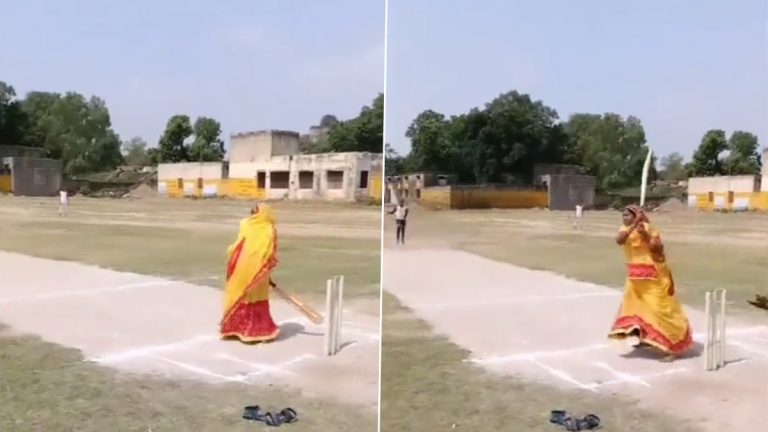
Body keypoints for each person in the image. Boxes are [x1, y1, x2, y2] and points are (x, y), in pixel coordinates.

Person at [608, 205, 693, 361]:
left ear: (635, 216)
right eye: (623, 215)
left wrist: (645, 234)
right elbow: (620, 240)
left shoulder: (648, 229)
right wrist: (634, 225)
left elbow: (658, 250)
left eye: (627, 215)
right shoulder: (625, 228)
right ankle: (645, 337)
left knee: (659, 310)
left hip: (654, 277)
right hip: (635, 278)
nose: (624, 217)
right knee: (636, 309)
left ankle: (673, 347)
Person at [220, 203, 280, 343]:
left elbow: (238, 245)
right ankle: (256, 332)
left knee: (240, 294)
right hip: (258, 269)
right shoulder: (270, 229)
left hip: (241, 266)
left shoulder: (245, 223)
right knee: (255, 296)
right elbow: (270, 253)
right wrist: (266, 272)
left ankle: (235, 329)